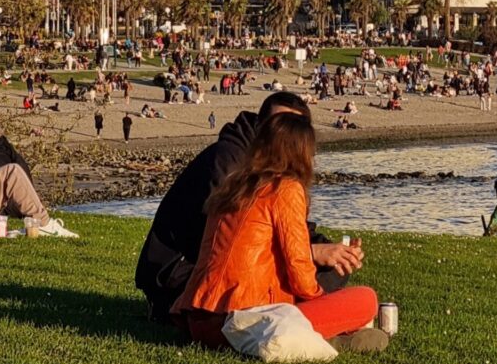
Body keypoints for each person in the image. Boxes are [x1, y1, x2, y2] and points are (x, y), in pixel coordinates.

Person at [136, 92, 363, 323]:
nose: (283, 134)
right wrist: (311, 258)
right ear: (262, 124)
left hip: (217, 292)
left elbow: (283, 225)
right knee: (360, 298)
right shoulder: (233, 163)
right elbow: (227, 241)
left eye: (292, 128)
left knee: (334, 263)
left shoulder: (268, 172)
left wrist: (327, 248)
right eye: (278, 125)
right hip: (181, 270)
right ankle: (306, 323)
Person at [172, 112, 388, 353]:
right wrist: (322, 301)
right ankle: (324, 337)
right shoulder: (286, 188)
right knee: (365, 299)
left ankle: (321, 338)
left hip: (200, 320)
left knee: (330, 302)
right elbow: (300, 274)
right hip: (245, 322)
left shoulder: (234, 184)